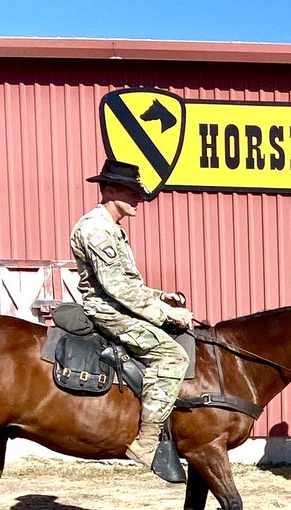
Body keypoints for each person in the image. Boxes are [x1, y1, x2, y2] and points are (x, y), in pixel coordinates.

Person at [69, 159, 194, 482]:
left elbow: (129, 284)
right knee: (172, 356)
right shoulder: (96, 229)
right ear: (111, 190)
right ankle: (147, 442)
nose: (138, 199)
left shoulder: (113, 228)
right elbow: (116, 288)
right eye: (132, 192)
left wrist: (160, 296)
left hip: (120, 305)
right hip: (108, 311)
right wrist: (166, 313)